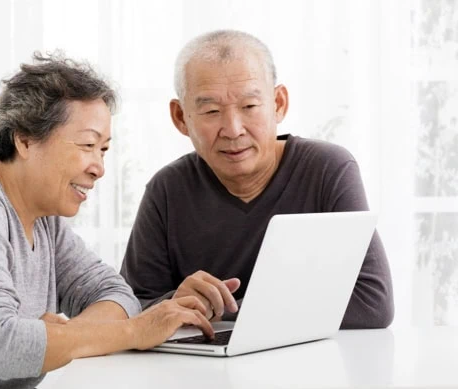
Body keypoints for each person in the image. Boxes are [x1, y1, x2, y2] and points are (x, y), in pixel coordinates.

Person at [0, 52, 213, 389]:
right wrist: (133, 332)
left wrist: (61, 335)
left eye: (104, 149)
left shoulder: (43, 221)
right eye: (87, 144)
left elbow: (116, 294)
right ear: (24, 140)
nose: (99, 167)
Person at [120, 30, 394, 328]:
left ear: (278, 103)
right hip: (202, 370)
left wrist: (217, 311)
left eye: (249, 107)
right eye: (211, 111)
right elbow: (130, 308)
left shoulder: (328, 169)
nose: (233, 129)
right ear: (180, 118)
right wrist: (172, 303)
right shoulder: (168, 190)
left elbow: (372, 303)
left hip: (309, 365)